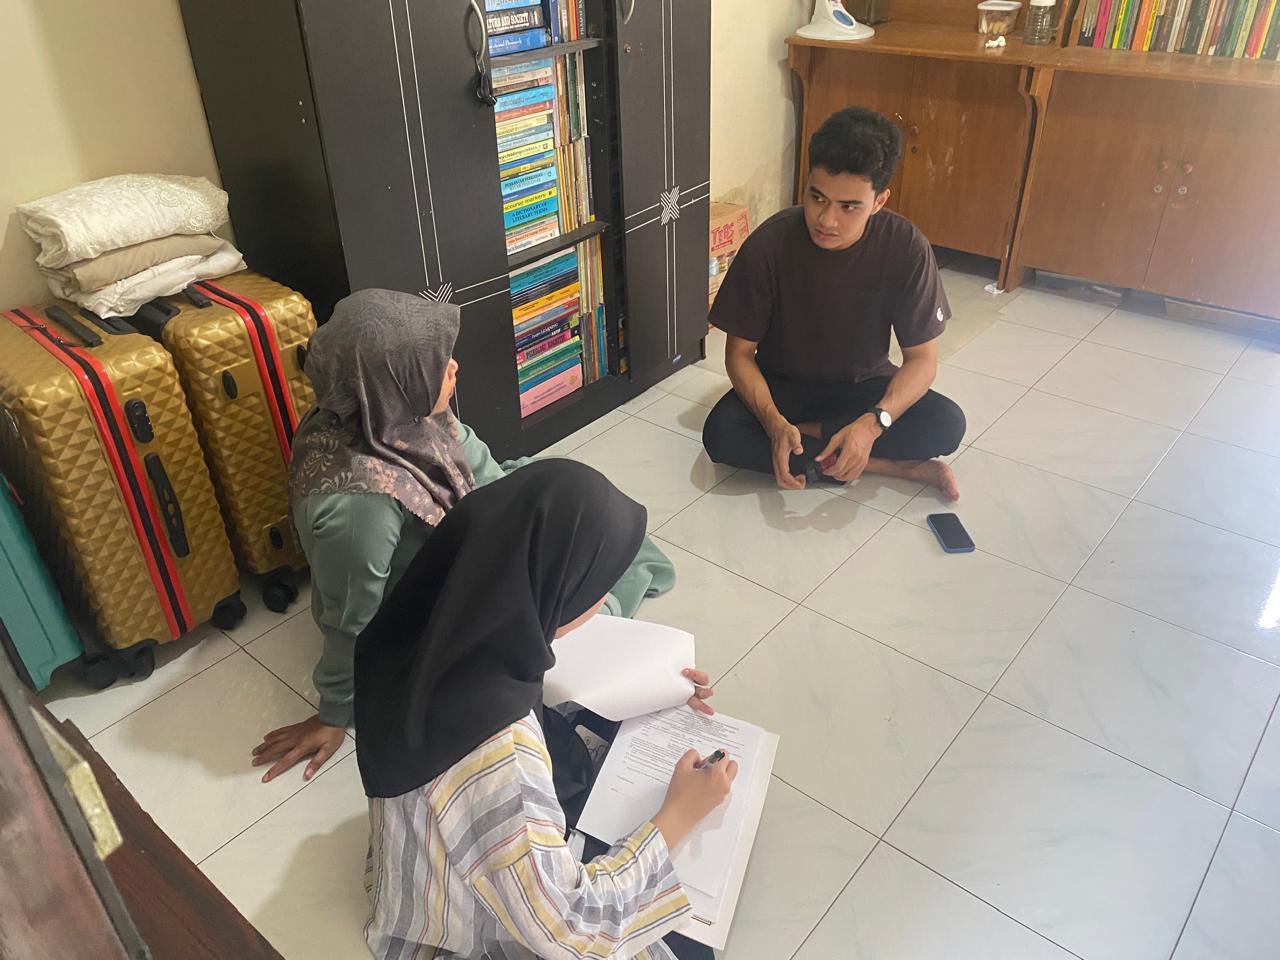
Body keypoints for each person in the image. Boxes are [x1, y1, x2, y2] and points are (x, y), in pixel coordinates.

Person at [252, 289, 675, 783]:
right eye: (435, 363)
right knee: (588, 578)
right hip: (426, 616)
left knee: (582, 507)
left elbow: (485, 477)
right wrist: (333, 713)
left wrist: (540, 520)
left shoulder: (392, 413)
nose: (453, 367)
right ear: (393, 381)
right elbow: (351, 618)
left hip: (454, 546)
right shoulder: (357, 504)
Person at [355, 459, 735, 960]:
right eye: (597, 583)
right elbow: (569, 928)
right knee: (689, 945)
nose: (605, 596)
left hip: (439, 858)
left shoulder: (432, 624)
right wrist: (680, 814)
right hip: (462, 928)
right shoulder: (499, 757)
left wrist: (654, 687)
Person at [701, 106, 966, 499]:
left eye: (849, 206)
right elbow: (739, 355)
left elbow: (922, 360)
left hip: (862, 389)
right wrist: (773, 422)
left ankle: (819, 445)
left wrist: (872, 424)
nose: (826, 220)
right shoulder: (769, 246)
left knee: (946, 423)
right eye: (817, 197)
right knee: (722, 435)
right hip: (783, 388)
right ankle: (889, 466)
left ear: (879, 200)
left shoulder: (905, 248)